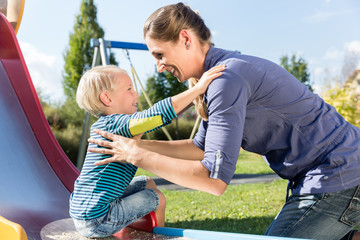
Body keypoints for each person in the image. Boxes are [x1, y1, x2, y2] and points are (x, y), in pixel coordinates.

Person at [87, 3, 360, 240]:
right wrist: (130, 145)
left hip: (339, 171)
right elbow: (201, 148)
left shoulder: (227, 80)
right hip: (328, 171)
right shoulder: (218, 77)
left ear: (185, 39)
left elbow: (214, 180)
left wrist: (138, 155)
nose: (159, 65)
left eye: (160, 54)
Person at [69, 64, 225, 238]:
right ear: (107, 98)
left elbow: (162, 117)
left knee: (147, 182)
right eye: (129, 89)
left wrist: (195, 97)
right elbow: (155, 116)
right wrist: (198, 88)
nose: (136, 94)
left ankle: (139, 226)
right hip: (98, 218)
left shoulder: (112, 125)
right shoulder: (113, 124)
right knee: (157, 197)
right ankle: (157, 236)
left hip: (86, 212)